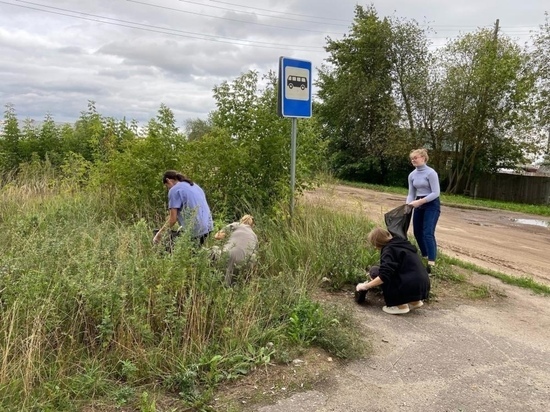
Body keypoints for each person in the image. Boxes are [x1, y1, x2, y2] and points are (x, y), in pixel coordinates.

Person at [356, 227, 430, 315]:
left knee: (375, 272)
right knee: (401, 273)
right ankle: (415, 301)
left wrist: (366, 286)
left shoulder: (388, 250)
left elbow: (384, 275)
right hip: (423, 284)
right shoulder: (402, 243)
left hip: (409, 284)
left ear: (377, 243)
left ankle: (400, 306)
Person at [153, 170, 213, 247]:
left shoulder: (174, 190)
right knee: (196, 251)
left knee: (172, 249)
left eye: (166, 186)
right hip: (208, 227)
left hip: (195, 230)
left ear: (168, 180)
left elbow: (172, 220)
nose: (168, 189)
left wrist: (158, 235)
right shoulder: (193, 185)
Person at [406, 148, 441, 273]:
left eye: (415, 157)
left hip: (431, 204)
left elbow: (436, 192)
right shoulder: (412, 175)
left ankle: (432, 263)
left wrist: (420, 201)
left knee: (427, 233)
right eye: (412, 158)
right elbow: (411, 193)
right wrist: (407, 205)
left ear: (423, 158)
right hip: (418, 203)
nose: (413, 160)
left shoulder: (431, 173)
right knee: (417, 232)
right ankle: (425, 255)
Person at [212, 214, 258, 286]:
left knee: (214, 249)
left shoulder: (236, 225)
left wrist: (228, 236)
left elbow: (217, 236)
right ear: (252, 225)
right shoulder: (254, 236)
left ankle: (210, 278)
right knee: (253, 257)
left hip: (228, 255)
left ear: (242, 220)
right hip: (245, 263)